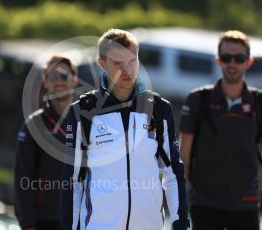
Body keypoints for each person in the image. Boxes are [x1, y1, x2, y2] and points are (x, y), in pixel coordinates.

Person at [60, 28, 189, 230]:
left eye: (132, 61)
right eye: (118, 63)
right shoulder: (83, 111)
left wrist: (180, 223)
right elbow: (73, 181)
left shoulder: (159, 108)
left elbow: (173, 174)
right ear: (102, 64)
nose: (127, 69)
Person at [179, 30, 262, 230]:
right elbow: (184, 156)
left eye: (239, 58)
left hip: (247, 203)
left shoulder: (259, 101)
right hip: (205, 203)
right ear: (218, 60)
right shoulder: (198, 99)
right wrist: (180, 202)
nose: (232, 63)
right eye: (226, 57)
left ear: (248, 62)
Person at [14, 54, 78, 230]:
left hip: (82, 219)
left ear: (74, 80)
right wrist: (27, 224)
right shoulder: (33, 125)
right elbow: (22, 179)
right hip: (44, 220)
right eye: (53, 77)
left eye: (64, 76)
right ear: (45, 81)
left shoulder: (88, 122)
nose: (59, 82)